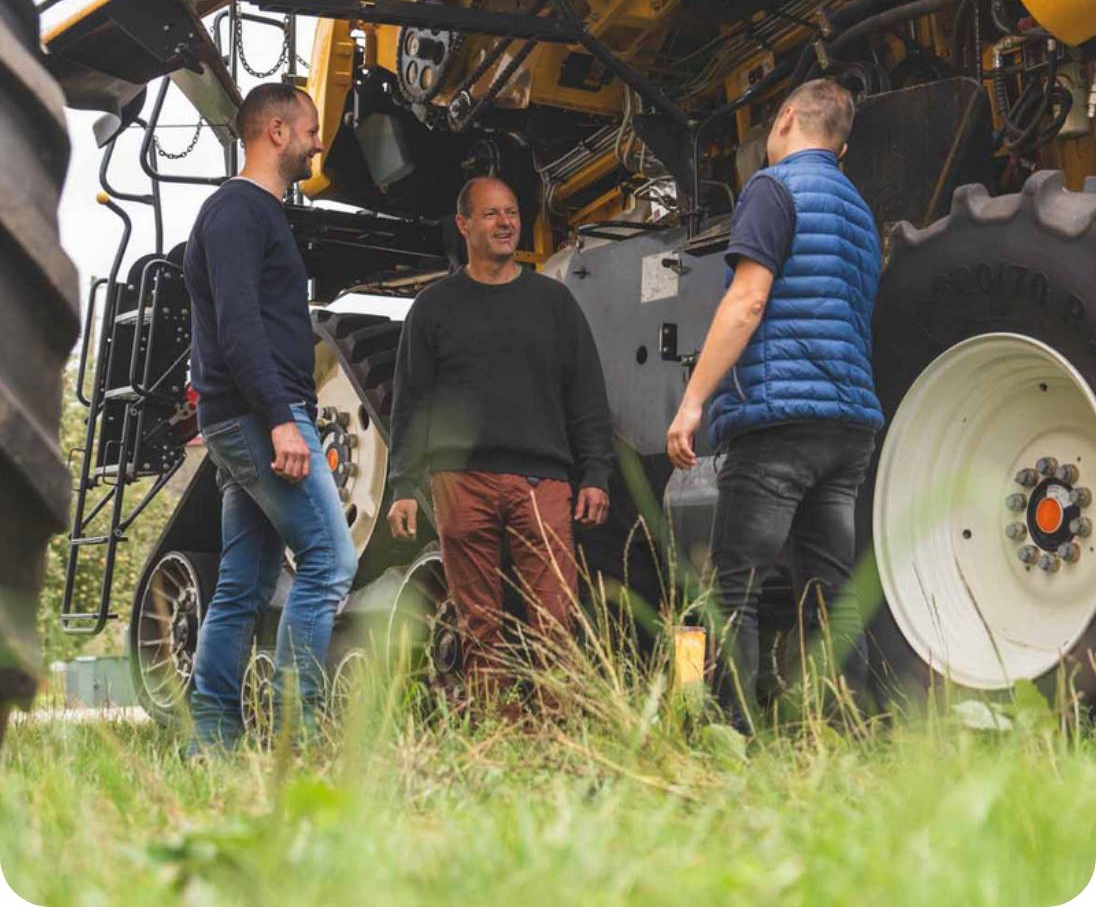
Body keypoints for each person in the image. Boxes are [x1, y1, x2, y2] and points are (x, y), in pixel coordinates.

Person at [666, 79, 883, 732]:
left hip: (779, 422)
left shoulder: (772, 188)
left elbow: (748, 301)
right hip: (846, 427)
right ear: (841, 148)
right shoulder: (858, 212)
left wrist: (692, 402)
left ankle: (727, 736)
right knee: (833, 593)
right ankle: (850, 735)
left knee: (735, 586)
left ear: (784, 119)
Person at [387, 176, 614, 709]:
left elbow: (586, 394)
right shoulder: (433, 307)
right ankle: (499, 734)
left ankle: (557, 736)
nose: (506, 223)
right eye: (491, 214)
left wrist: (597, 473)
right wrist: (401, 483)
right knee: (478, 622)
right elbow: (412, 405)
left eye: (511, 212)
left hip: (543, 481)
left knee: (555, 616)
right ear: (464, 225)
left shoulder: (552, 302)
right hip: (461, 483)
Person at [183, 82, 357, 750]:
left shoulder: (256, 215)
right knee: (328, 561)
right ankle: (297, 733)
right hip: (260, 418)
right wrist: (283, 419)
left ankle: (213, 744)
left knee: (244, 585)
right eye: (311, 129)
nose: (318, 143)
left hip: (250, 415)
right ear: (276, 133)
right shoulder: (237, 212)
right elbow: (239, 328)